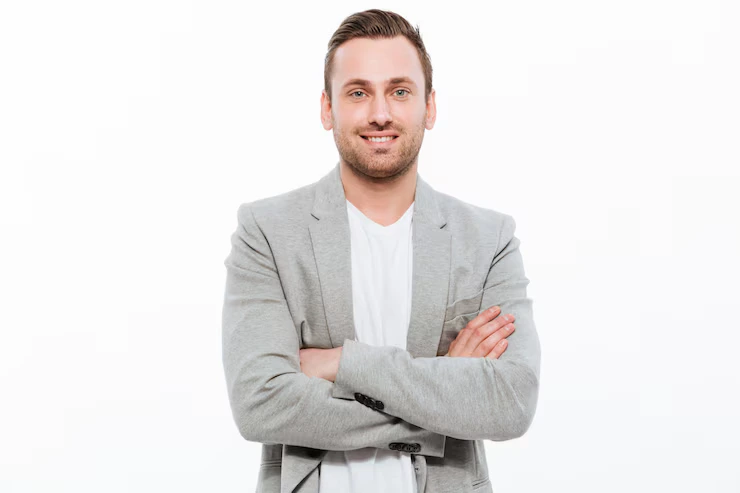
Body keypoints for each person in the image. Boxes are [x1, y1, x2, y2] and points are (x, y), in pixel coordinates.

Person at [221, 9, 541, 493]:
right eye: (358, 92)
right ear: (327, 108)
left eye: (399, 90)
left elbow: (510, 403)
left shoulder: (488, 239)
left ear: (429, 107)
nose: (380, 113)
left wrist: (340, 363)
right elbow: (260, 403)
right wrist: (445, 394)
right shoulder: (266, 231)